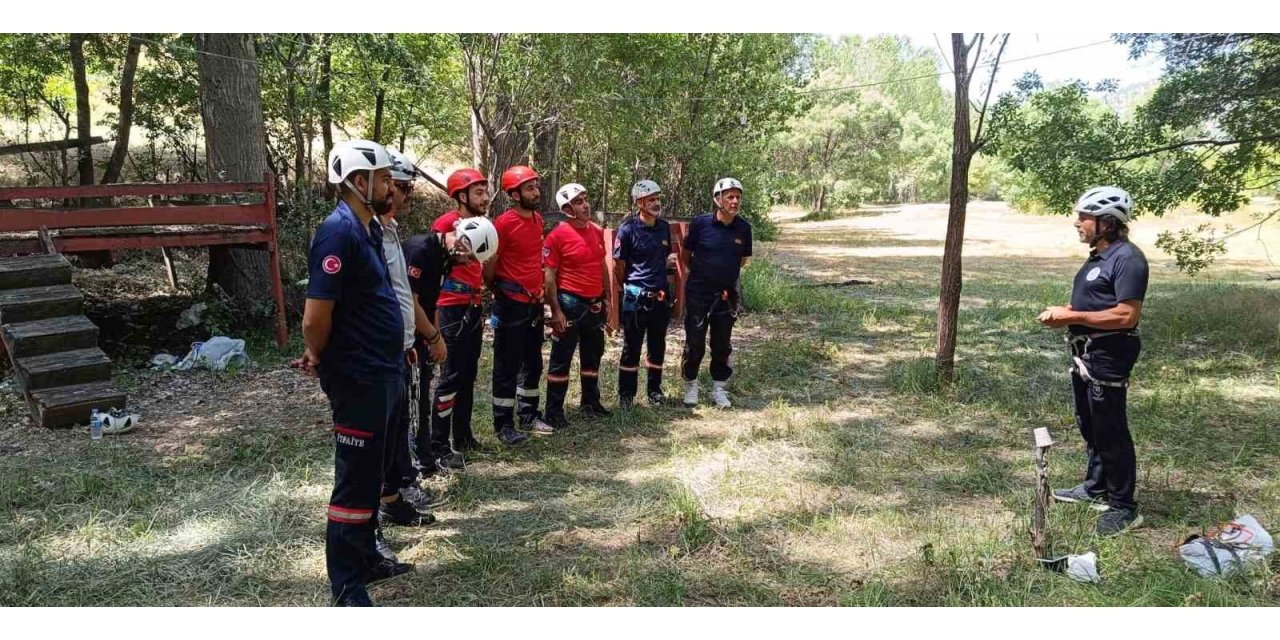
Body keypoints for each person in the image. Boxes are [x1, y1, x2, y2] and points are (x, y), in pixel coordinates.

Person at [300, 139, 411, 606]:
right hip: (358, 375)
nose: (391, 186)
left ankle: (366, 556)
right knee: (354, 478)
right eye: (384, 178)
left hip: (383, 370)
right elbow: (315, 315)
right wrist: (317, 353)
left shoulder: (368, 229)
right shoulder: (337, 233)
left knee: (372, 474)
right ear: (358, 182)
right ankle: (346, 585)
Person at [1037, 186, 1149, 536]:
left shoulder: (1128, 259)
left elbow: (1126, 316)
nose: (1077, 223)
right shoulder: (1099, 256)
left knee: (1111, 429)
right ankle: (1096, 486)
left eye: (1084, 217)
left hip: (1109, 353)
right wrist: (1069, 314)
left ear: (1107, 222)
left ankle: (1123, 505)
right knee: (1090, 423)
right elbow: (1098, 303)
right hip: (1086, 352)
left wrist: (1075, 315)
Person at [368, 152, 443, 563]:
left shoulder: (391, 231)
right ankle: (368, 529)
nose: (406, 193)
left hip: (400, 347)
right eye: (400, 185)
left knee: (396, 433)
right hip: (375, 354)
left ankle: (393, 500)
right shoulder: (361, 233)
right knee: (372, 446)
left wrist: (425, 334)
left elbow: (402, 295)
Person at [419, 168, 491, 473]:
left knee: (467, 374)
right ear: (461, 197)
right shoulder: (446, 224)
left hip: (473, 305)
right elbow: (435, 269)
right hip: (450, 309)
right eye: (478, 192)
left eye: (486, 191)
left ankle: (462, 435)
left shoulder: (482, 224)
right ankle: (438, 444)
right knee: (449, 376)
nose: (485, 197)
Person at [485, 165, 553, 443]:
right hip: (510, 302)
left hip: (533, 303)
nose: (536, 192)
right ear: (514, 194)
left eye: (536, 186)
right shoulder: (503, 223)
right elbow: (490, 264)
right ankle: (503, 424)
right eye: (529, 188)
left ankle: (529, 414)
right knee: (507, 365)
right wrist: (499, 290)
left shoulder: (537, 219)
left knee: (533, 361)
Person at [542, 183, 612, 430]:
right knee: (561, 359)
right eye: (579, 202)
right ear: (567, 209)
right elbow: (549, 276)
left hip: (594, 305)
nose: (586, 205)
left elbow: (601, 265)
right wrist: (555, 311)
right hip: (570, 305)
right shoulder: (557, 236)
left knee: (593, 355)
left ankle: (590, 401)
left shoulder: (595, 230)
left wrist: (607, 297)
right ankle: (553, 411)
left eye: (585, 199)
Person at [679, 177, 752, 409]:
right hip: (699, 292)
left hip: (726, 294)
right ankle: (691, 385)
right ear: (717, 199)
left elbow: (742, 260)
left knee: (722, 343)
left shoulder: (744, 228)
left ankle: (719, 388)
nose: (735, 201)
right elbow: (686, 256)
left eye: (738, 197)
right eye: (730, 196)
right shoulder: (700, 224)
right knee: (695, 341)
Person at [614, 179, 674, 408]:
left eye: (658, 198)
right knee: (631, 346)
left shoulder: (664, 227)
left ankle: (655, 391)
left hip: (660, 297)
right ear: (639, 202)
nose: (656, 203)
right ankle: (626, 396)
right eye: (651, 199)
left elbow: (665, 256)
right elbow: (618, 265)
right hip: (635, 298)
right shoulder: (628, 229)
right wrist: (629, 287)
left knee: (657, 345)